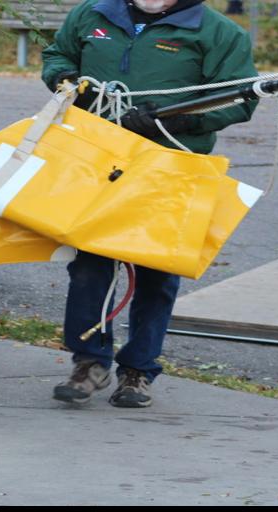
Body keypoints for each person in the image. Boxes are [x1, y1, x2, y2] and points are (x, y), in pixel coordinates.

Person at [41, 0, 257, 408]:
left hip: (172, 163)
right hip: (98, 159)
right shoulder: (93, 14)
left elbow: (240, 97)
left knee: (156, 271)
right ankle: (90, 361)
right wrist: (67, 81)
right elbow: (58, 54)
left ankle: (138, 370)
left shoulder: (218, 32)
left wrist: (179, 119)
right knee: (89, 265)